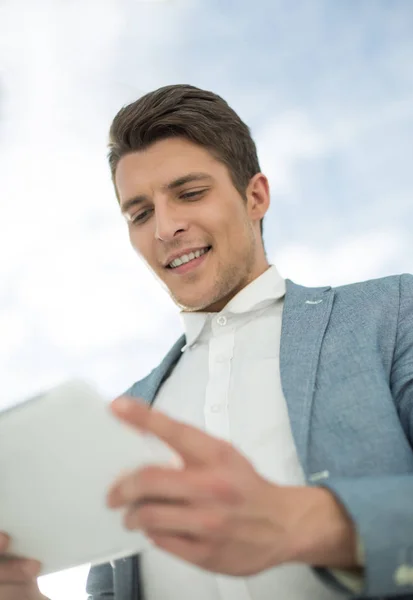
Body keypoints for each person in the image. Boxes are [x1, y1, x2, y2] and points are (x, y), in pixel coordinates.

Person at [0, 84, 411, 600]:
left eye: (190, 193)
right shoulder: (128, 410)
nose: (166, 227)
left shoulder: (394, 312)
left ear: (255, 196)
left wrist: (307, 524)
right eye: (140, 214)